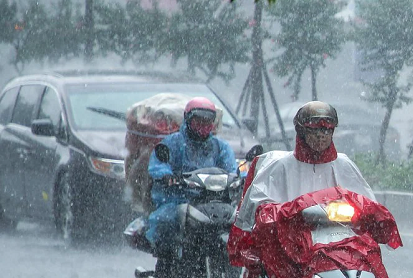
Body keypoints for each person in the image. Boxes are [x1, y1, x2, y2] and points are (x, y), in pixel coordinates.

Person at [232, 101, 374, 236]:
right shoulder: (279, 166)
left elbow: (368, 207)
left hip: (341, 242)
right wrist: (290, 212)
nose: (320, 135)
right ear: (301, 131)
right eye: (314, 129)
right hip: (290, 242)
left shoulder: (344, 165)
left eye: (326, 129)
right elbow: (258, 209)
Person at [146, 97, 237, 255]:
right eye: (198, 121)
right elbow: (158, 164)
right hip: (178, 199)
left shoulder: (220, 147)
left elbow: (232, 170)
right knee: (165, 221)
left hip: (213, 201)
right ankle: (165, 265)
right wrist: (168, 176)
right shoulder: (172, 143)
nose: (203, 125)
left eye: (207, 121)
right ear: (188, 119)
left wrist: (240, 178)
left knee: (240, 223)